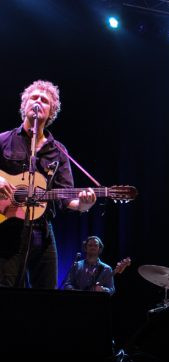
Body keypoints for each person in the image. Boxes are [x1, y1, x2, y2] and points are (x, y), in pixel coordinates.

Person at [0, 80, 96, 289]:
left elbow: (66, 197)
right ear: (24, 105)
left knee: (46, 297)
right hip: (6, 229)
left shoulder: (58, 151)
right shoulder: (4, 140)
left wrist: (83, 205)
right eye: (34, 98)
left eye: (44, 100)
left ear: (51, 111)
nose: (38, 102)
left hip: (41, 232)